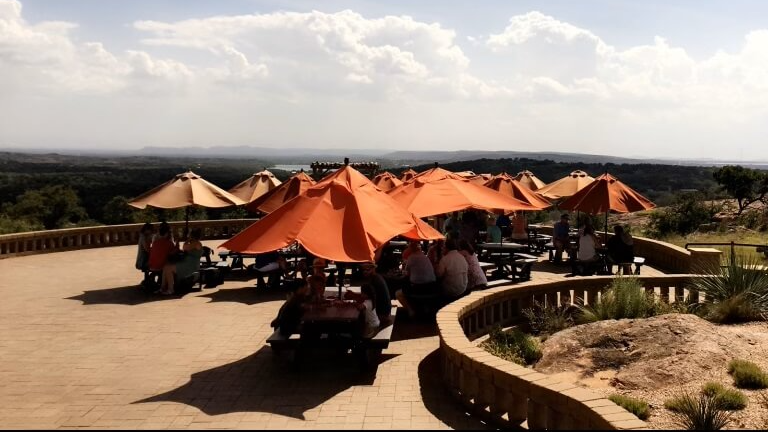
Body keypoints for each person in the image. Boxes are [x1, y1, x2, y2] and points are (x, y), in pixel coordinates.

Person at [396, 242, 438, 317]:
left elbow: (406, 273)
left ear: (411, 249)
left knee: (398, 293)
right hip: (432, 287)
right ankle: (424, 309)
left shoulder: (411, 257)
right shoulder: (425, 257)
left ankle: (411, 311)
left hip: (418, 288)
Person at [159, 228, 203, 295]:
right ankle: (162, 288)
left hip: (190, 265)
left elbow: (184, 247)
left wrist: (187, 240)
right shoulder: (193, 242)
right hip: (187, 263)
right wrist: (188, 240)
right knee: (165, 267)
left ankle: (171, 289)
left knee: (168, 269)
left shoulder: (196, 243)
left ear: (192, 235)